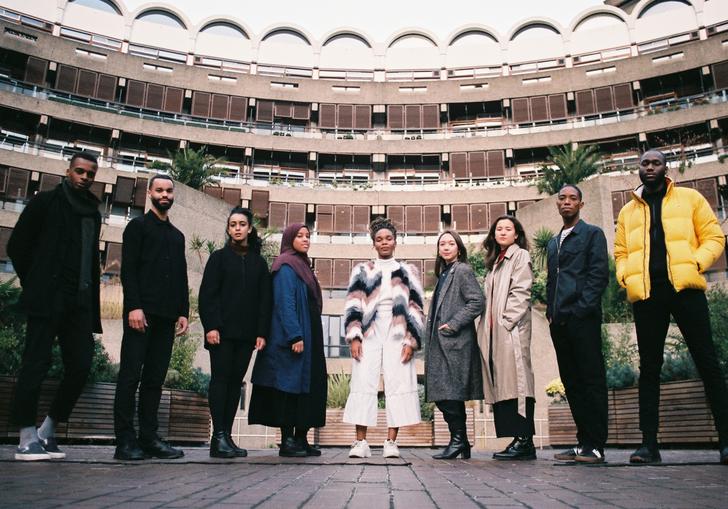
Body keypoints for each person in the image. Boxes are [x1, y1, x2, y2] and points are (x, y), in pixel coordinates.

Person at [615, 149, 728, 465]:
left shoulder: (690, 199)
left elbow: (714, 237)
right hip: (648, 295)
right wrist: (626, 277)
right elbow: (620, 252)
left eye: (656, 163)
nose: (650, 167)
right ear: (638, 169)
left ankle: (726, 441)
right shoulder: (628, 212)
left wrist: (696, 262)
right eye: (644, 163)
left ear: (666, 168)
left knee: (707, 361)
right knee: (649, 368)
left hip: (685, 291)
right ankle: (648, 446)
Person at [7, 152, 101, 461]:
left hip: (79, 303)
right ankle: (25, 438)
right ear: (68, 171)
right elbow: (17, 246)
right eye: (79, 171)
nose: (84, 177)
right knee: (35, 363)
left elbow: (91, 262)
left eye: (90, 173)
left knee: (81, 365)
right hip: (47, 298)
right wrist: (35, 283)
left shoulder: (92, 212)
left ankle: (47, 431)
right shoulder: (45, 202)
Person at [113, 174, 189, 461]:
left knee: (155, 380)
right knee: (130, 376)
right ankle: (124, 441)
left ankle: (149, 438)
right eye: (160, 190)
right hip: (140, 315)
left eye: (169, 190)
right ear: (150, 193)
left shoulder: (177, 235)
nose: (165, 195)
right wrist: (133, 306)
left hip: (167, 317)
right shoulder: (137, 227)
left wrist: (183, 311)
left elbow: (181, 276)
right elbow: (128, 270)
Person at [343, 217, 425, 459]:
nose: (384, 242)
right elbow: (353, 303)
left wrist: (411, 340)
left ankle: (391, 442)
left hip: (397, 331)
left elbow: (417, 307)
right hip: (369, 331)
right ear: (374, 243)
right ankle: (360, 443)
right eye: (379, 239)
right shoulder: (362, 270)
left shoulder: (408, 271)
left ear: (396, 241)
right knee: (362, 380)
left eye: (388, 238)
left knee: (398, 381)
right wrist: (354, 336)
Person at [248, 224, 327, 457]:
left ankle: (302, 439)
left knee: (309, 385)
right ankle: (287, 441)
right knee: (289, 387)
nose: (305, 240)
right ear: (289, 238)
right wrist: (295, 334)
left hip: (311, 333)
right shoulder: (285, 265)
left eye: (308, 236)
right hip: (293, 335)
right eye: (300, 236)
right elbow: (284, 302)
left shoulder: (304, 265)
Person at [199, 207, 271, 458]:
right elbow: (208, 296)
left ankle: (226, 437)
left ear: (250, 229)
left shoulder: (259, 263)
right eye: (233, 224)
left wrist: (261, 333)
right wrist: (212, 327)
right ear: (228, 229)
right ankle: (217, 437)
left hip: (247, 336)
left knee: (234, 384)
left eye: (242, 224)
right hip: (221, 333)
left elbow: (264, 302)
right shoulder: (218, 258)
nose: (237, 228)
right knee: (220, 381)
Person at [546, 184, 609, 464]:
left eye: (573, 198)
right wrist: (551, 312)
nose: (567, 202)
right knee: (572, 382)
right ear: (557, 204)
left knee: (591, 379)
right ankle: (583, 441)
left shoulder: (592, 234)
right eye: (562, 198)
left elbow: (598, 275)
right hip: (559, 323)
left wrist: (582, 309)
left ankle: (596, 445)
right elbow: (552, 280)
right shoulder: (553, 242)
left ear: (581, 205)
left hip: (582, 319)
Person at [478, 215, 537, 460]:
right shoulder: (496, 263)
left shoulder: (520, 255)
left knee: (518, 382)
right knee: (504, 384)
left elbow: (522, 289)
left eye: (507, 229)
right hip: (495, 334)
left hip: (511, 330)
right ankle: (517, 439)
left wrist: (507, 321)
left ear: (516, 234)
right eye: (498, 229)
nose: (502, 232)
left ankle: (525, 441)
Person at [425, 230, 484, 460]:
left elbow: (477, 301)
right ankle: (462, 442)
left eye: (451, 243)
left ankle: (458, 440)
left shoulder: (462, 270)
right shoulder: (444, 273)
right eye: (442, 244)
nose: (446, 247)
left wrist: (453, 324)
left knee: (450, 394)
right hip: (441, 343)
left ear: (459, 248)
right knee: (445, 394)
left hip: (455, 342)